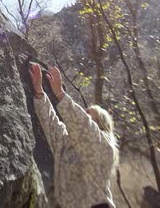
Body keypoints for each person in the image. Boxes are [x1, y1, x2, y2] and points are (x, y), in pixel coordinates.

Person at [28, 63, 119, 208]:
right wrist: (39, 93)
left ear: (101, 125)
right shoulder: (68, 144)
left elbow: (83, 125)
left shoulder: (105, 146)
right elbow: (52, 125)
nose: (84, 116)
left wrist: (60, 94)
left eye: (89, 117)